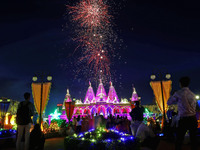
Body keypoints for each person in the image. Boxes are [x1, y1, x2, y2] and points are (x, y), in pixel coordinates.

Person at [167, 76, 197, 150]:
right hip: (193, 118)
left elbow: (168, 102)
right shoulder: (192, 94)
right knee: (193, 140)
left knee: (179, 139)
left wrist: (173, 95)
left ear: (180, 84)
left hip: (183, 119)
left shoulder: (178, 93)